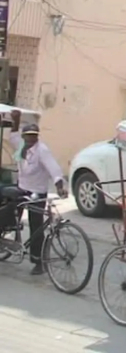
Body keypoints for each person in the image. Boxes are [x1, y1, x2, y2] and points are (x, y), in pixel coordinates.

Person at [1, 109, 68, 275]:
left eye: (34, 136)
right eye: (28, 136)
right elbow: (13, 135)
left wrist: (60, 185)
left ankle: (38, 262)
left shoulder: (42, 150)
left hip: (36, 193)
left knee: (36, 226)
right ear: (24, 137)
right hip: (22, 188)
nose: (31, 139)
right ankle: (6, 236)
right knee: (7, 211)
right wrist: (16, 120)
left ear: (37, 136)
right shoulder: (21, 146)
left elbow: (53, 168)